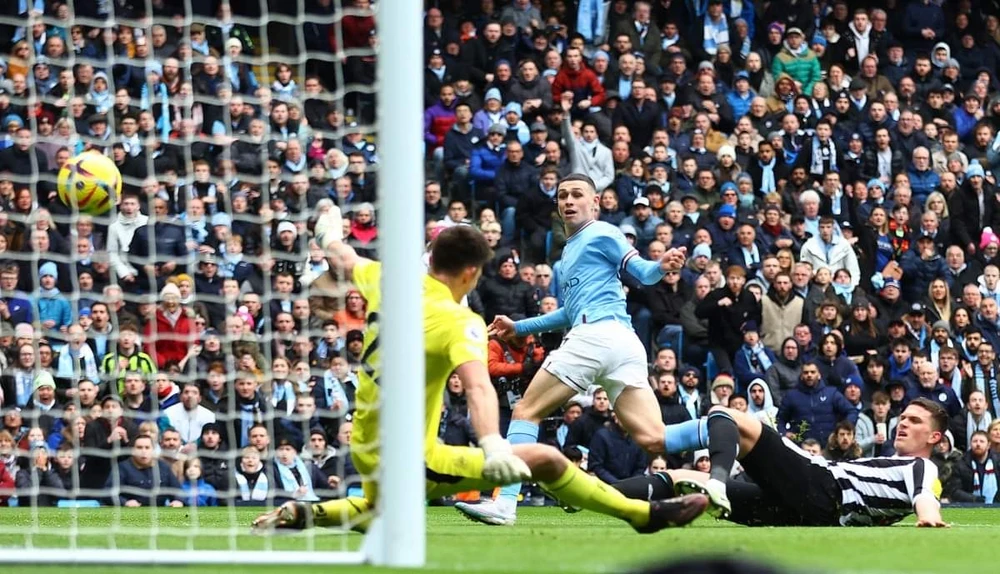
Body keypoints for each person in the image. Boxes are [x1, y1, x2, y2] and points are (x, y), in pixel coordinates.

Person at [252, 214, 707, 534]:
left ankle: (303, 513)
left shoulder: (385, 278)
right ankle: (643, 516)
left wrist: (328, 226)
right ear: (471, 273)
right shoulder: (459, 321)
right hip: (411, 456)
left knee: (379, 508)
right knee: (546, 460)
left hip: (365, 441)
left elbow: (344, 256)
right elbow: (477, 388)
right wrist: (492, 444)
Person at [455, 173, 696, 526]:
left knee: (524, 411)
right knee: (653, 437)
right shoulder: (569, 253)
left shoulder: (603, 232)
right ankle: (725, 429)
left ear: (595, 202)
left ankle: (505, 503)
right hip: (623, 342)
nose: (568, 200)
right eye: (562, 195)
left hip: (595, 335)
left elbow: (643, 274)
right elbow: (568, 312)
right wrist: (518, 327)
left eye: (577, 194)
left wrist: (661, 266)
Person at [616, 397, 950, 527]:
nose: (903, 423)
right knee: (680, 479)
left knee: (728, 415)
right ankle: (594, 492)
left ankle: (716, 478)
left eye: (915, 421)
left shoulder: (922, 467)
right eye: (903, 417)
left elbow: (926, 494)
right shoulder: (892, 465)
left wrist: (929, 519)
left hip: (820, 486)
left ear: (935, 439)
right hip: (810, 514)